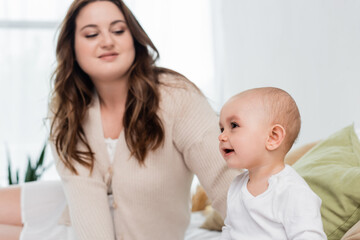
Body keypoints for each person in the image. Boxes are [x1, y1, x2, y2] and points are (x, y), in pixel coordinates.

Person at [0, 1, 237, 240]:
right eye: (91, 34)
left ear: (133, 37)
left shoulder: (176, 96)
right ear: (72, 47)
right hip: (78, 214)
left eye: (118, 30)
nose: (107, 41)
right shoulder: (67, 108)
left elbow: (223, 178)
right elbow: (84, 196)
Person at [218, 87, 327, 240]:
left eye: (234, 126)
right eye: (221, 128)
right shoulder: (236, 186)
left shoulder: (293, 191)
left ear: (273, 137)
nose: (221, 136)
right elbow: (230, 230)